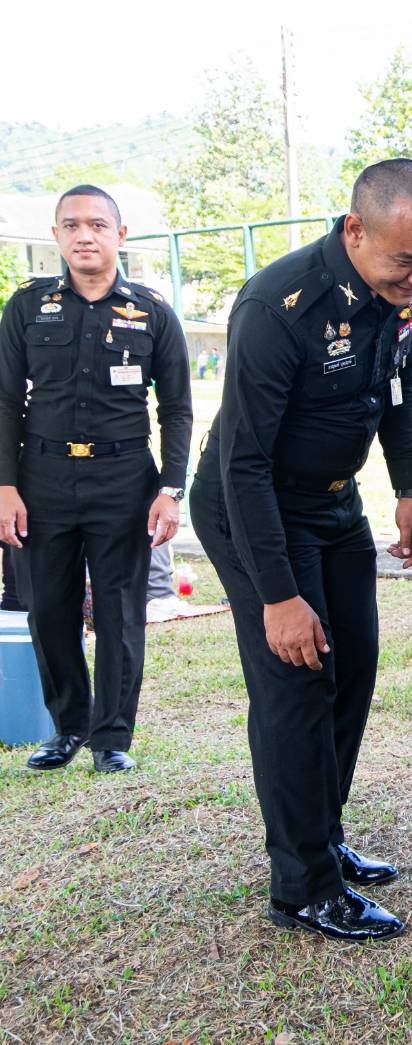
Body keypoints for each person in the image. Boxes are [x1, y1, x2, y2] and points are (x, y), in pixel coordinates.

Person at [190, 159, 412, 941]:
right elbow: (243, 464)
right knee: (296, 682)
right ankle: (301, 883)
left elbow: (397, 389)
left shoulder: (403, 295)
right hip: (255, 508)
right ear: (354, 230)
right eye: (406, 260)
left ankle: (323, 834)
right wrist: (277, 595)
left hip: (335, 502)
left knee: (352, 668)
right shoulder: (278, 306)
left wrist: (410, 486)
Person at [0, 184, 191, 774]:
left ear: (120, 235)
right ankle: (67, 729)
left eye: (97, 225)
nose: (85, 235)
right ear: (56, 236)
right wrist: (6, 487)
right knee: (48, 608)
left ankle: (112, 737)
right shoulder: (27, 307)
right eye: (72, 225)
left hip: (123, 479)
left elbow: (178, 408)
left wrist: (169, 488)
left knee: (119, 610)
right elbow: (6, 402)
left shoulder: (153, 311)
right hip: (44, 479)